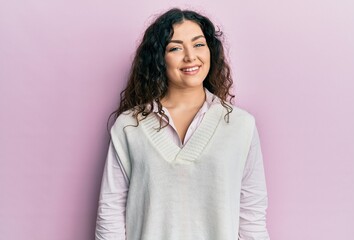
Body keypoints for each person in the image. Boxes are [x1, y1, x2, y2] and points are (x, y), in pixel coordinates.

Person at [95, 8, 270, 240]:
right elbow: (110, 214)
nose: (190, 56)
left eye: (199, 44)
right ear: (159, 58)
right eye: (175, 48)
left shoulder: (241, 126)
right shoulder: (130, 126)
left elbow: (252, 218)